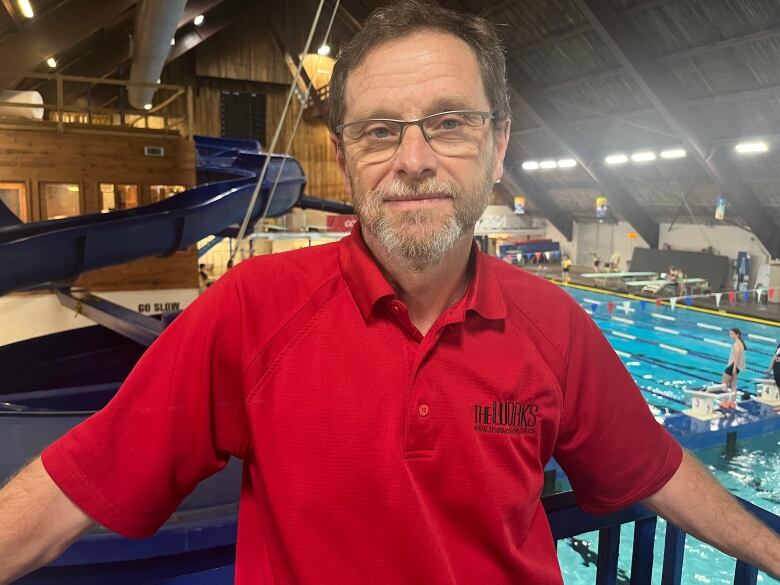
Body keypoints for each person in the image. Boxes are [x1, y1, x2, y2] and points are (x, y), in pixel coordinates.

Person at [1, 2, 778, 583]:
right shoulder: (253, 309)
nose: (413, 158)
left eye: (448, 123)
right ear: (345, 158)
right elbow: (75, 483)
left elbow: (654, 468)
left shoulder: (554, 326)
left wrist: (770, 549)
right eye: (379, 131)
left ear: (498, 145)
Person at [722, 327, 747, 407]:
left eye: (732, 334)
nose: (730, 335)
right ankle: (732, 403)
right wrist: (735, 369)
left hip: (733, 367)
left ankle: (725, 402)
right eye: (730, 334)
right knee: (733, 385)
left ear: (737, 334)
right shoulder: (741, 343)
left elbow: (736, 358)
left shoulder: (736, 344)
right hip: (737, 367)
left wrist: (733, 369)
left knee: (724, 384)